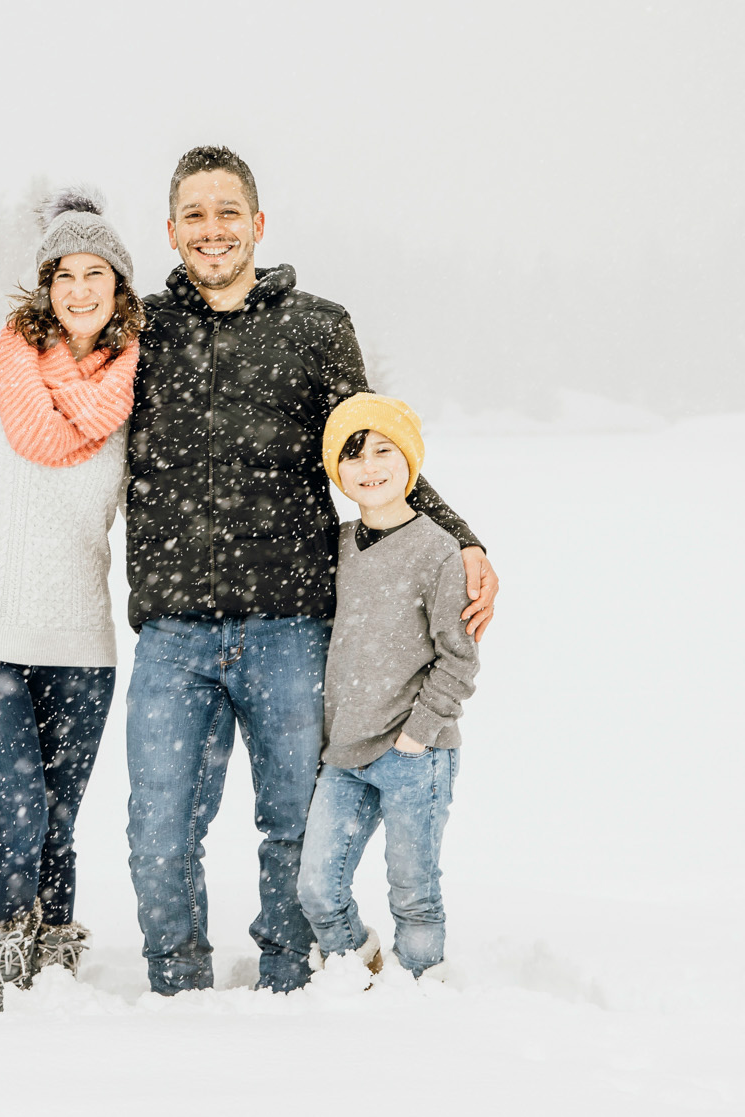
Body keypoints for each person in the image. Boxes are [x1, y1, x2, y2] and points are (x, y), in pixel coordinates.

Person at [124, 145, 500, 995]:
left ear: (258, 224)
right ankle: (174, 986)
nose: (212, 229)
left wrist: (461, 536)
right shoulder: (141, 329)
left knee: (291, 823)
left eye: (229, 212)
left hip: (291, 624)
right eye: (194, 214)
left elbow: (374, 449)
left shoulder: (317, 326)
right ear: (171, 230)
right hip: (172, 634)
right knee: (158, 829)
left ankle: (293, 980)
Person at [0, 189, 143, 1011]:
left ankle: (53, 986)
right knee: (18, 810)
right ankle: (7, 994)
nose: (80, 288)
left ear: (120, 288)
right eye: (65, 273)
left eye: (98, 273)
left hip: (80, 646)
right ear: (44, 283)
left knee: (56, 822)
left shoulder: (133, 394)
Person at [297, 394, 479, 980]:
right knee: (318, 889)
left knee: (414, 893)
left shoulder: (437, 549)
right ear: (337, 471)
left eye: (384, 450)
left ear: (410, 462)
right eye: (353, 455)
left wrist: (418, 735)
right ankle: (356, 967)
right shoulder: (340, 544)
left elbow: (459, 657)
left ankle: (422, 992)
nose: (370, 466)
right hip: (345, 751)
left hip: (414, 754)